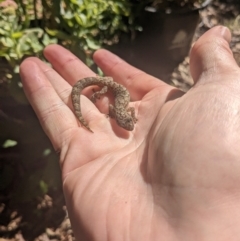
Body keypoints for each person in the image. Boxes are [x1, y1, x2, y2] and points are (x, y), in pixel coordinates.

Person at [20, 26, 240, 240]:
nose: (127, 127)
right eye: (126, 124)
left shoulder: (124, 113)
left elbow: (121, 115)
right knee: (84, 89)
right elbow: (114, 110)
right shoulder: (119, 110)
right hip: (108, 86)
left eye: (127, 124)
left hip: (112, 88)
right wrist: (101, 95)